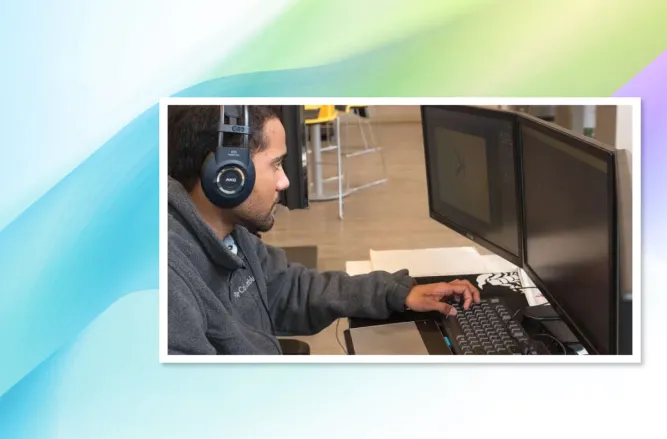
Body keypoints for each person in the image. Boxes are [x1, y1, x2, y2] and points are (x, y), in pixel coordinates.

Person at [167, 105, 480, 355]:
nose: (284, 181)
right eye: (275, 164)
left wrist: (397, 293)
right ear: (227, 175)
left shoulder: (232, 235)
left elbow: (290, 290)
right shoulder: (169, 284)